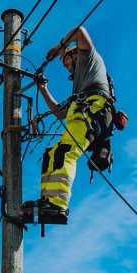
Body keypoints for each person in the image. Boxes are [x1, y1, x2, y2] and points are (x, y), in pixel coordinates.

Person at [21, 25, 113, 223]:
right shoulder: (79, 88)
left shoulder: (89, 59)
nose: (65, 65)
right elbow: (59, 112)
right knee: (51, 154)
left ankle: (58, 205)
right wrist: (43, 89)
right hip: (82, 113)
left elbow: (80, 31)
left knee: (65, 152)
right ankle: (47, 201)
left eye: (66, 60)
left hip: (93, 111)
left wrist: (59, 46)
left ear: (75, 54)